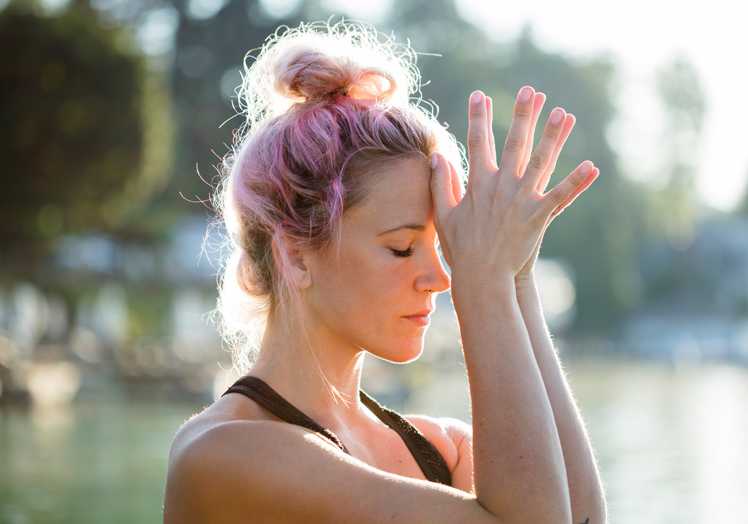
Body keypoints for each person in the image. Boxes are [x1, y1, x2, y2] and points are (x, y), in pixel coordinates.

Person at [163, 20, 607, 524]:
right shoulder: (224, 452)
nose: (443, 278)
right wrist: (484, 285)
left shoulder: (443, 450)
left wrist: (515, 275)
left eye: (443, 248)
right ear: (297, 255)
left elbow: (581, 519)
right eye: (402, 248)